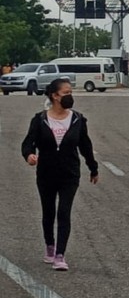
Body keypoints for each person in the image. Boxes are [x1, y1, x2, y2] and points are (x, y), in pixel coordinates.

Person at [21, 78, 99, 271]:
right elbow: (28, 143)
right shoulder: (40, 120)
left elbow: (85, 146)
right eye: (65, 93)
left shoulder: (77, 120)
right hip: (46, 174)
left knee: (64, 212)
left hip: (69, 175)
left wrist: (93, 167)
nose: (69, 96)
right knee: (48, 213)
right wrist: (29, 155)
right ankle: (50, 245)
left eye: (71, 92)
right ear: (55, 96)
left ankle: (60, 255)